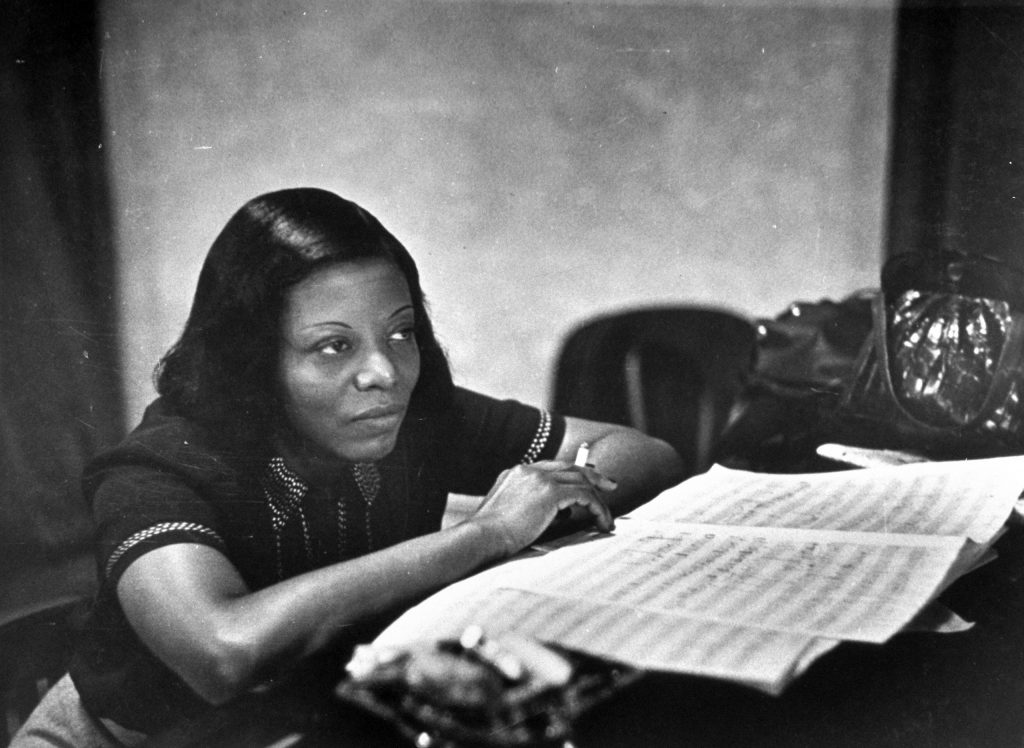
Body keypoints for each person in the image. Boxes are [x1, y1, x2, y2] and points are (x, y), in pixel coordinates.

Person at [13, 188, 685, 746]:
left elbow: (646, 454)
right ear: (254, 360)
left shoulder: (415, 417)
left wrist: (557, 490)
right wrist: (486, 534)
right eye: (333, 346)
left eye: (400, 332)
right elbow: (224, 651)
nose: (384, 372)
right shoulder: (159, 468)